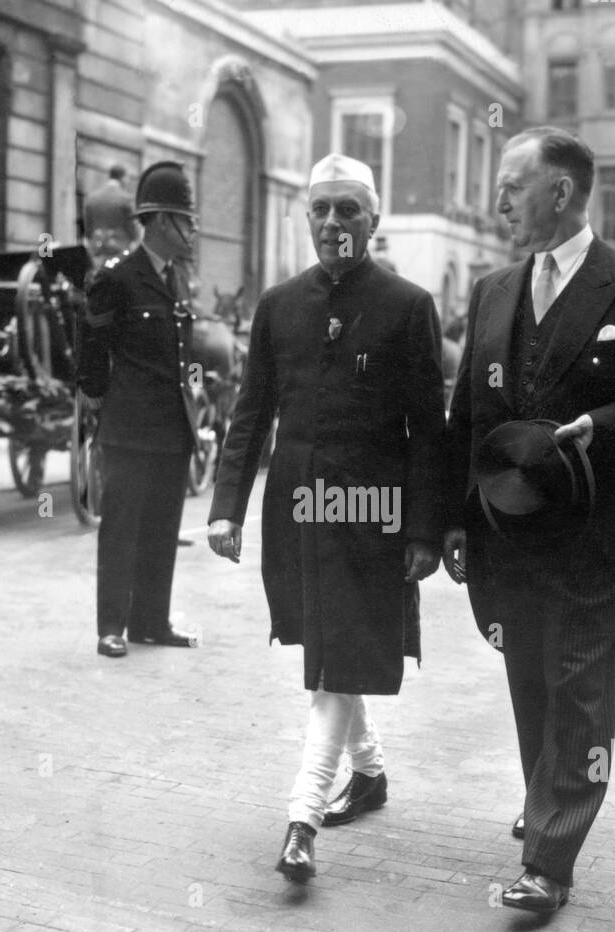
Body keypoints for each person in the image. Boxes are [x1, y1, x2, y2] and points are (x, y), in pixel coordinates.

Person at [443, 127, 615, 915]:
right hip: (509, 531)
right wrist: (455, 520)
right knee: (530, 682)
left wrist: (606, 423)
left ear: (559, 191)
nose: (499, 199)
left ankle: (550, 863)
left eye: (513, 185)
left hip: (593, 534)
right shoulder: (492, 290)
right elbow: (466, 418)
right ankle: (543, 800)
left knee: (581, 689)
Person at [206, 153, 447, 883]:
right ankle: (369, 772)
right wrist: (226, 509)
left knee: (335, 659)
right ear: (307, 218)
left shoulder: (408, 308)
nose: (334, 222)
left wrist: (425, 531)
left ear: (374, 220)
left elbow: (427, 431)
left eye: (349, 209)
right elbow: (250, 414)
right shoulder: (280, 305)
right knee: (330, 646)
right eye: (322, 209)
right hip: (298, 508)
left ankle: (301, 819)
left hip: (372, 514)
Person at [77, 162, 203, 657]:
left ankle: (151, 622)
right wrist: (100, 403)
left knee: (161, 529)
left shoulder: (178, 281)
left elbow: (182, 356)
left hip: (172, 428)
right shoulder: (117, 278)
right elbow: (92, 349)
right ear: (160, 222)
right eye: (186, 221)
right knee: (122, 530)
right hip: (129, 429)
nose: (192, 230)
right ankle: (112, 626)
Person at [83, 165, 138, 264]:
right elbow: (132, 228)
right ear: (123, 178)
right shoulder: (125, 199)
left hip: (97, 250)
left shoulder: (92, 198)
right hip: (119, 250)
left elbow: (88, 228)